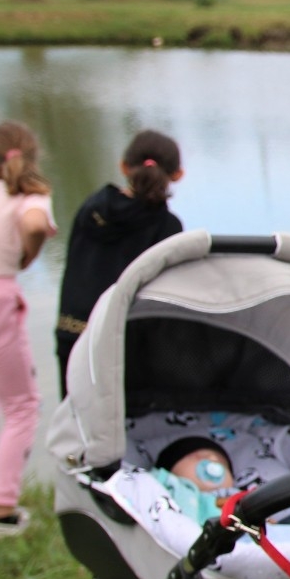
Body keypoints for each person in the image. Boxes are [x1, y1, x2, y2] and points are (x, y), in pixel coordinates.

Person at [55, 130, 184, 394]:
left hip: (73, 333)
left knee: (75, 414)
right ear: (178, 175)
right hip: (125, 341)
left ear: (124, 166)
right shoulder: (167, 227)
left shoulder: (91, 209)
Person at [0, 121, 57, 536]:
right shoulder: (30, 196)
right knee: (22, 405)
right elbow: (33, 224)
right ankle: (3, 506)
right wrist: (29, 253)